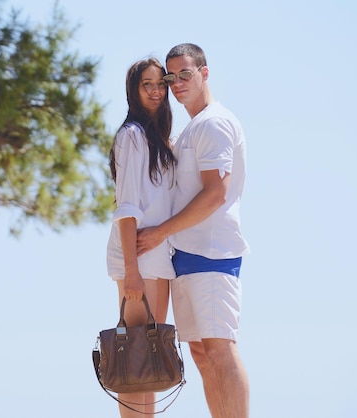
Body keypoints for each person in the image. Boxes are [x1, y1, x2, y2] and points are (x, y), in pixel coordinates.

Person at [137, 43, 250, 418]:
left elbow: (215, 194)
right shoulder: (191, 129)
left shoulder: (215, 122)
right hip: (185, 257)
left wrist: (159, 232)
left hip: (213, 254)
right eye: (170, 77)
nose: (176, 83)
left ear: (204, 73)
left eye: (185, 74)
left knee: (220, 348)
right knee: (202, 353)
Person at [105, 57, 177, 417]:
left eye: (160, 84)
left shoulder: (157, 138)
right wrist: (131, 270)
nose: (155, 90)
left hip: (157, 258)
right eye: (146, 84)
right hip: (137, 258)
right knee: (135, 362)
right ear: (134, 90)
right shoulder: (131, 135)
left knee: (150, 362)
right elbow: (127, 206)